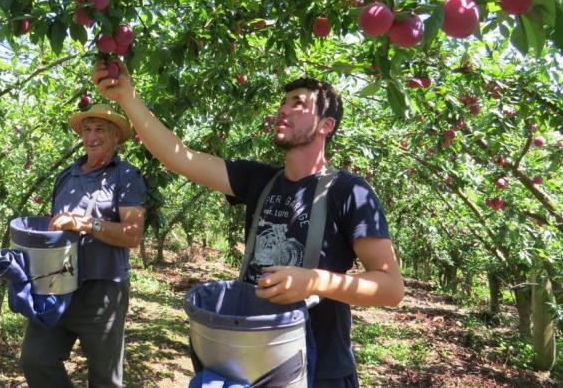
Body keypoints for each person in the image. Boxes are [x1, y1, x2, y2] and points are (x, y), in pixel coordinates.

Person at [92, 61, 404, 388]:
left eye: (297, 103)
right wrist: (127, 98)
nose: (283, 110)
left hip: (321, 369)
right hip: (251, 358)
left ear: (326, 125)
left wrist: (314, 281)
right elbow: (179, 157)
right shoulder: (259, 179)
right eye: (283, 103)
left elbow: (391, 288)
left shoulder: (348, 191)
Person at [20, 104, 147, 388]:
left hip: (102, 289)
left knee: (104, 377)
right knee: (36, 358)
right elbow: (56, 226)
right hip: (58, 283)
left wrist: (87, 224)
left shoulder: (125, 176)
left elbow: (133, 234)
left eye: (100, 129)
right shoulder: (66, 174)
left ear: (116, 137)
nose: (92, 136)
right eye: (87, 129)